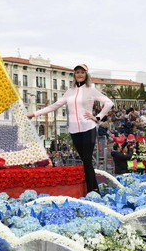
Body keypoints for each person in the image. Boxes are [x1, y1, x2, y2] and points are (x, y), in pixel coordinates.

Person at [27, 64, 113, 193]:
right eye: (77, 72)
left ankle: (93, 191)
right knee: (84, 159)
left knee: (87, 159)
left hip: (88, 127)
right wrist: (34, 114)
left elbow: (109, 103)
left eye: (82, 72)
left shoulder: (91, 89)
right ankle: (89, 188)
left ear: (86, 74)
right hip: (74, 130)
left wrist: (98, 117)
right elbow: (54, 106)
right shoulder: (70, 91)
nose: (79, 74)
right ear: (74, 75)